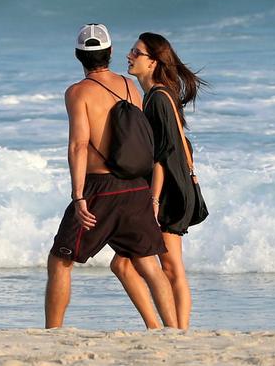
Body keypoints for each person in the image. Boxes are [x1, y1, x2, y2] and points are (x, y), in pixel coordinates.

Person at [45, 24, 177, 329]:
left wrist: (78, 196)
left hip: (99, 188)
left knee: (60, 261)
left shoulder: (78, 92)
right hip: (135, 188)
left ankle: (52, 334)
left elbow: (79, 144)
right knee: (148, 264)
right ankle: (172, 331)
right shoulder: (132, 87)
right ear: (111, 52)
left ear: (78, 55)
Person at [110, 32, 207, 330]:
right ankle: (170, 329)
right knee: (139, 265)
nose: (129, 56)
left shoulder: (158, 99)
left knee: (168, 267)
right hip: (176, 187)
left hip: (170, 191)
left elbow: (162, 155)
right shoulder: (157, 95)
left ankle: (175, 330)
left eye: (136, 53)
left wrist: (152, 200)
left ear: (153, 63)